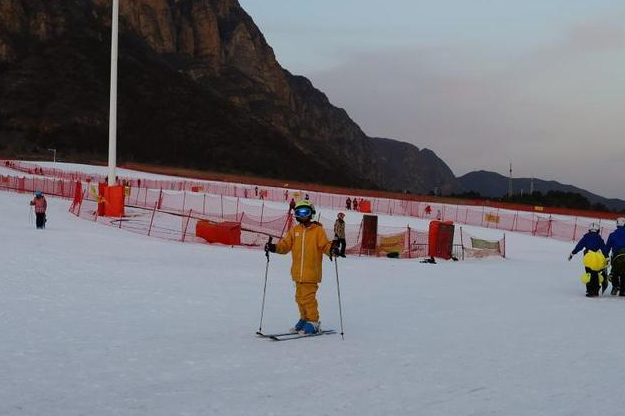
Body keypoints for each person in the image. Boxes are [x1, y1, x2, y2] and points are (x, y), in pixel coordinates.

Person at [265, 200, 339, 334]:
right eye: (299, 212)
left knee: (308, 298)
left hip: (311, 273)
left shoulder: (318, 231)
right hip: (297, 273)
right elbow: (285, 246)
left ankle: (314, 322)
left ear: (311, 213)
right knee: (299, 298)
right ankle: (304, 319)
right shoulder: (294, 231)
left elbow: (324, 245)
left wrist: (332, 250)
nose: (302, 215)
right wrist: (274, 247)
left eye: (305, 212)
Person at [569, 222, 606, 297]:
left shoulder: (586, 237)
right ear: (598, 230)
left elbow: (579, 246)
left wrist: (572, 253)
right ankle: (596, 290)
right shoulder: (599, 238)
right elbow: (604, 249)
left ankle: (590, 291)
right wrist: (607, 257)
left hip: (588, 257)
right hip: (597, 258)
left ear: (589, 230)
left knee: (589, 274)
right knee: (595, 273)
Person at [604, 217, 625, 296]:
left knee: (615, 273)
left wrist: (606, 256)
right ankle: (623, 290)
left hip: (616, 258)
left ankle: (615, 286)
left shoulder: (612, 235)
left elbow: (607, 248)